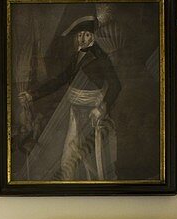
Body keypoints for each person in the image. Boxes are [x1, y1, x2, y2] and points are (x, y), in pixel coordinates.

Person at [18, 15, 121, 182]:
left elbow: (116, 85)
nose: (82, 38)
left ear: (93, 37)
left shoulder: (101, 58)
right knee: (69, 154)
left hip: (92, 115)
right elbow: (60, 80)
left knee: (92, 157)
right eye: (80, 35)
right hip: (75, 113)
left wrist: (101, 108)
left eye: (86, 34)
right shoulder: (77, 56)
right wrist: (32, 95)